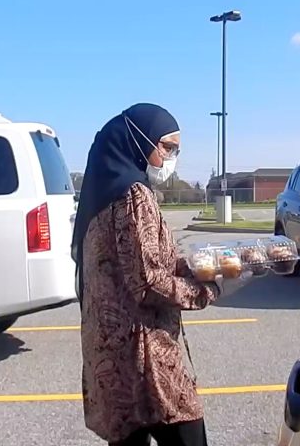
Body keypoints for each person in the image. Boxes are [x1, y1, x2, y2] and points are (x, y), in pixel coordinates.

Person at [72, 103, 219, 446]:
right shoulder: (134, 196)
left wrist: (193, 266)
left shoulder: (102, 194)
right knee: (187, 431)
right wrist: (207, 290)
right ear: (139, 142)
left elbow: (132, 261)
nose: (172, 158)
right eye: (167, 147)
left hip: (111, 359)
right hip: (146, 357)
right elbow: (148, 282)